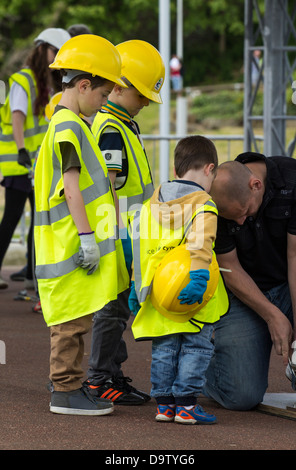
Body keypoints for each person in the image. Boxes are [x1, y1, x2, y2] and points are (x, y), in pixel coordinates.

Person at [34, 34, 129, 415]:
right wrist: (88, 238)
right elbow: (71, 187)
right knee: (71, 323)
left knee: (73, 319)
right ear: (85, 85)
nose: (104, 103)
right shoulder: (70, 127)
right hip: (71, 244)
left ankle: (69, 387)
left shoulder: (67, 123)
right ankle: (66, 391)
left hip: (67, 243)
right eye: (104, 95)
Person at [84, 40, 165, 405]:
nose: (147, 102)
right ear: (119, 85)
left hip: (122, 234)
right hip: (118, 235)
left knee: (117, 310)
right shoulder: (112, 129)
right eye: (143, 94)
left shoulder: (120, 123)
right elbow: (111, 187)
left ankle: (111, 375)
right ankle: (100, 379)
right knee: (113, 311)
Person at [130, 135, 229, 424]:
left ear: (176, 170)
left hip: (159, 292)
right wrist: (198, 278)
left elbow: (138, 245)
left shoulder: (151, 203)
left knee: (164, 347)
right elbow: (200, 243)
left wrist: (138, 288)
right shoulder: (203, 203)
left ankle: (164, 405)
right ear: (209, 169)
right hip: (193, 289)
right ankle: (186, 404)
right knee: (196, 346)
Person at [205, 152, 296, 411]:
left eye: (245, 212)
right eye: (232, 218)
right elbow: (229, 266)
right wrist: (272, 316)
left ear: (255, 185)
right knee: (240, 396)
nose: (239, 221)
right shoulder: (213, 203)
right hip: (244, 294)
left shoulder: (294, 181)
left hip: (290, 282)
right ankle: (200, 362)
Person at [0, 28, 71, 290]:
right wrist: (20, 149)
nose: (55, 58)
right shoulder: (24, 79)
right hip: (20, 162)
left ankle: (33, 273)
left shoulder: (48, 80)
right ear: (42, 49)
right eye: (54, 51)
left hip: (37, 162)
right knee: (12, 217)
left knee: (38, 218)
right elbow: (17, 116)